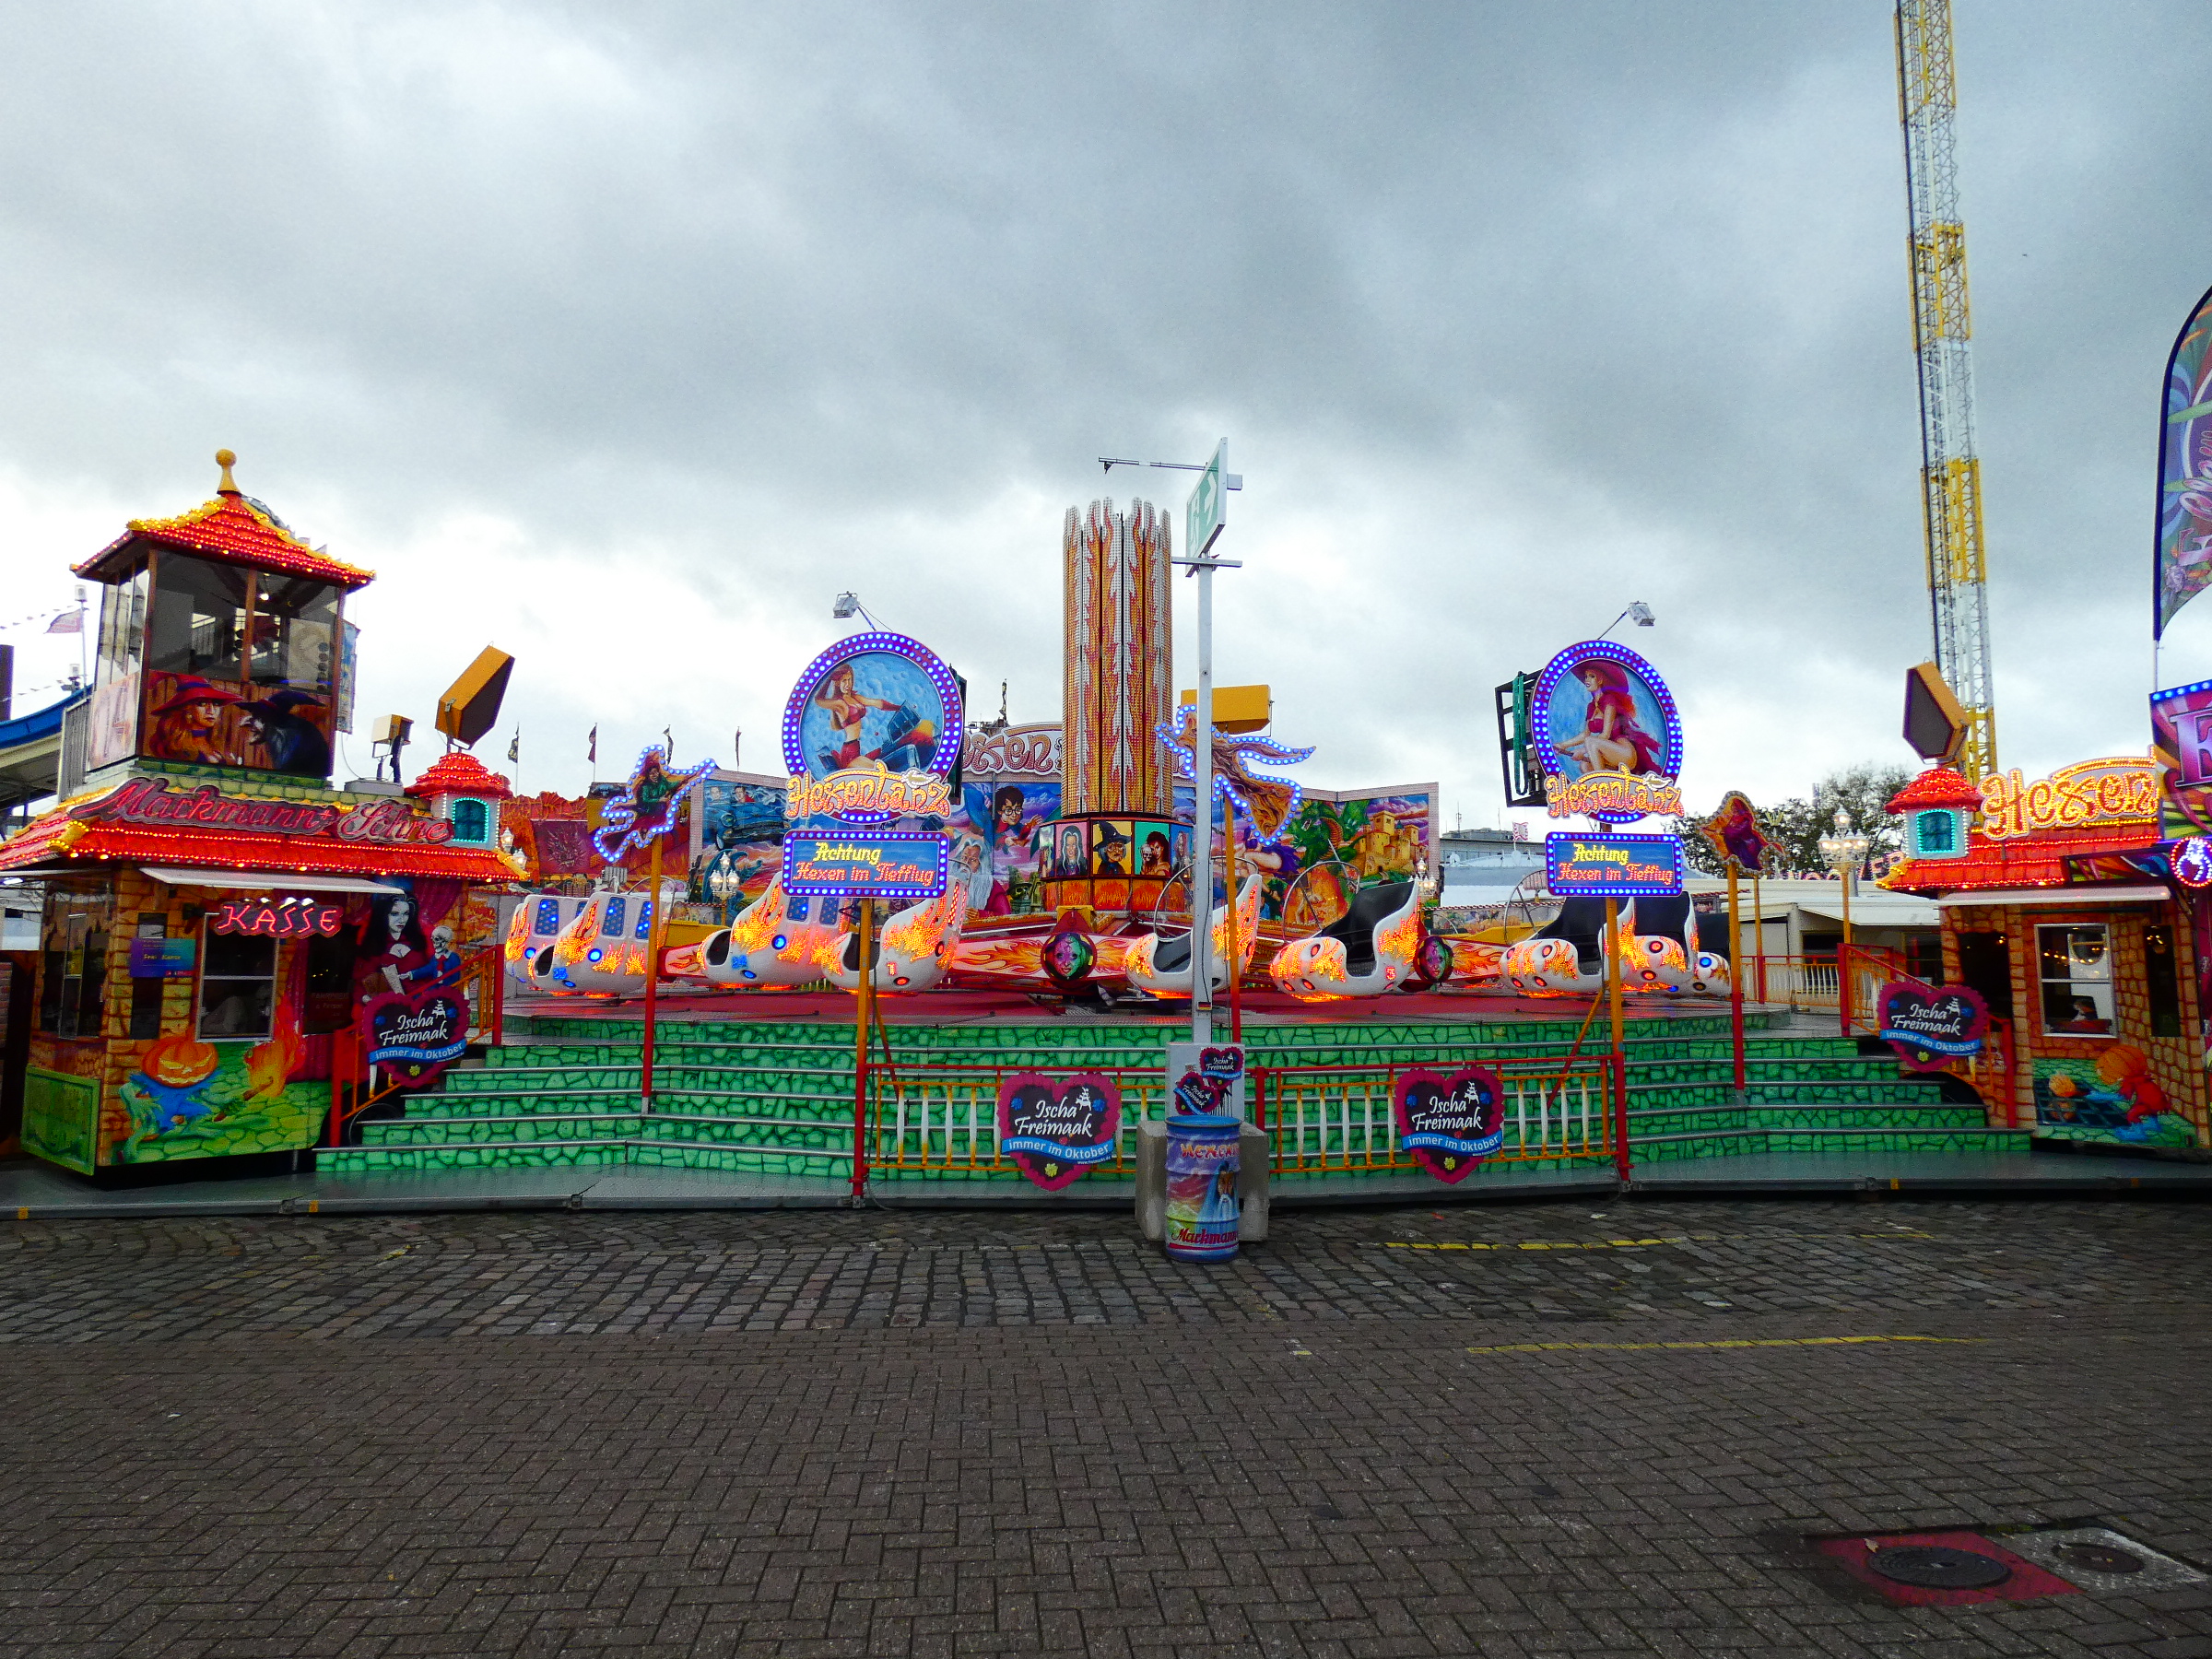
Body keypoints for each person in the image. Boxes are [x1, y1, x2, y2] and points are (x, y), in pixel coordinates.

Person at [1561, 659, 1665, 776]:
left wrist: (1582, 751)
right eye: (1586, 677)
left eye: (1592, 676)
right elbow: (1585, 734)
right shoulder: (1591, 706)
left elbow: (1605, 735)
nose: (1587, 680)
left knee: (1590, 741)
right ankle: (1609, 784)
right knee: (1585, 765)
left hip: (1624, 752)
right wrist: (1563, 745)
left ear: (1600, 680)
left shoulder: (1609, 700)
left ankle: (1601, 781)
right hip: (1609, 753)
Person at [147, 675, 245, 765]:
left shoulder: (214, 743)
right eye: (202, 704)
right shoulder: (176, 745)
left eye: (215, 704)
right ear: (187, 709)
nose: (211, 711)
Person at [238, 689, 331, 777]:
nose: (245, 722)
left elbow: (287, 769)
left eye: (258, 717)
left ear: (273, 719)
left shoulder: (292, 735)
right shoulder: (293, 730)